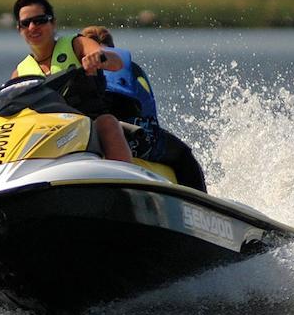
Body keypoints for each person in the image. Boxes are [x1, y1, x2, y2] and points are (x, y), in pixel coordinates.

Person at [80, 25, 207, 191]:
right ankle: (203, 204)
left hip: (84, 135)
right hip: (134, 138)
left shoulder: (69, 66)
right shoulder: (127, 66)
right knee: (183, 155)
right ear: (112, 47)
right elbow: (147, 110)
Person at [10, 0, 132, 162]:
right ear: (19, 29)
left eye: (40, 20)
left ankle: (123, 179)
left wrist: (97, 58)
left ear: (52, 23)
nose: (32, 27)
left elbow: (116, 62)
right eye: (26, 23)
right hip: (46, 136)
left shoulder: (76, 44)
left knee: (107, 122)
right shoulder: (20, 73)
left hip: (87, 124)